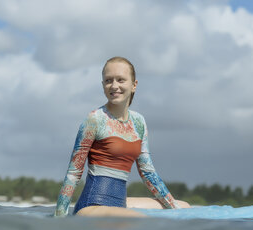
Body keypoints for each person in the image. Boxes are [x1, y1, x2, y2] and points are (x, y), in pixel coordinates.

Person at [54, 56, 190, 217]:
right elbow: (73, 174)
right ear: (103, 85)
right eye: (108, 80)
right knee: (139, 218)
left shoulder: (139, 122)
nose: (114, 85)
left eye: (120, 80)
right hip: (92, 206)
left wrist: (175, 209)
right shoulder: (95, 120)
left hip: (120, 203)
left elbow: (148, 172)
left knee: (184, 206)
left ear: (134, 85)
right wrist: (59, 218)